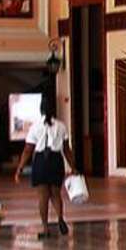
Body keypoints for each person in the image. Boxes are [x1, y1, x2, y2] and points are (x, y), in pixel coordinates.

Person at [14, 98, 74, 239]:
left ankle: (46, 228)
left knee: (43, 197)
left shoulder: (35, 127)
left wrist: (20, 168)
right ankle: (60, 218)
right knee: (56, 194)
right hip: (56, 160)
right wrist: (73, 167)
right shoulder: (61, 126)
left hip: (41, 161)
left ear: (40, 110)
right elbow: (66, 149)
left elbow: (28, 149)